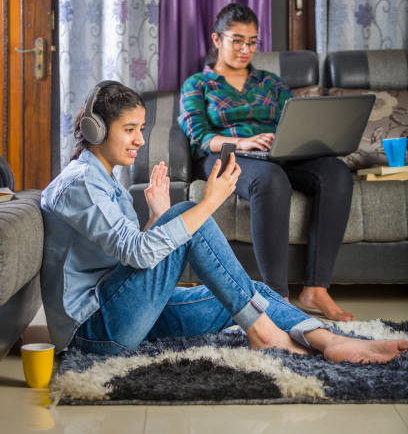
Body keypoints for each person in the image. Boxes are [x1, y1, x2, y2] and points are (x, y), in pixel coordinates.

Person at [40, 80, 408, 364]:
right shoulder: (81, 185)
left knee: (252, 292)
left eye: (142, 128)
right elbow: (138, 256)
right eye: (130, 129)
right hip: (93, 333)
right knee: (189, 214)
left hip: (120, 312)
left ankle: (329, 340)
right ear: (96, 130)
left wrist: (155, 216)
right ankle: (263, 334)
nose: (140, 139)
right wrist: (209, 202)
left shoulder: (103, 180)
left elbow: (130, 261)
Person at [178, 3, 355, 321]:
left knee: (336, 172)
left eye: (252, 41)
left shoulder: (270, 83)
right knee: (271, 179)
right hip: (226, 156)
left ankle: (316, 290)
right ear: (216, 39)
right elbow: (199, 138)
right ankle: (277, 297)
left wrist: (303, 140)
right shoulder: (198, 85)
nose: (246, 49)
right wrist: (242, 142)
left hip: (278, 154)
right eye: (237, 40)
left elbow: (295, 120)